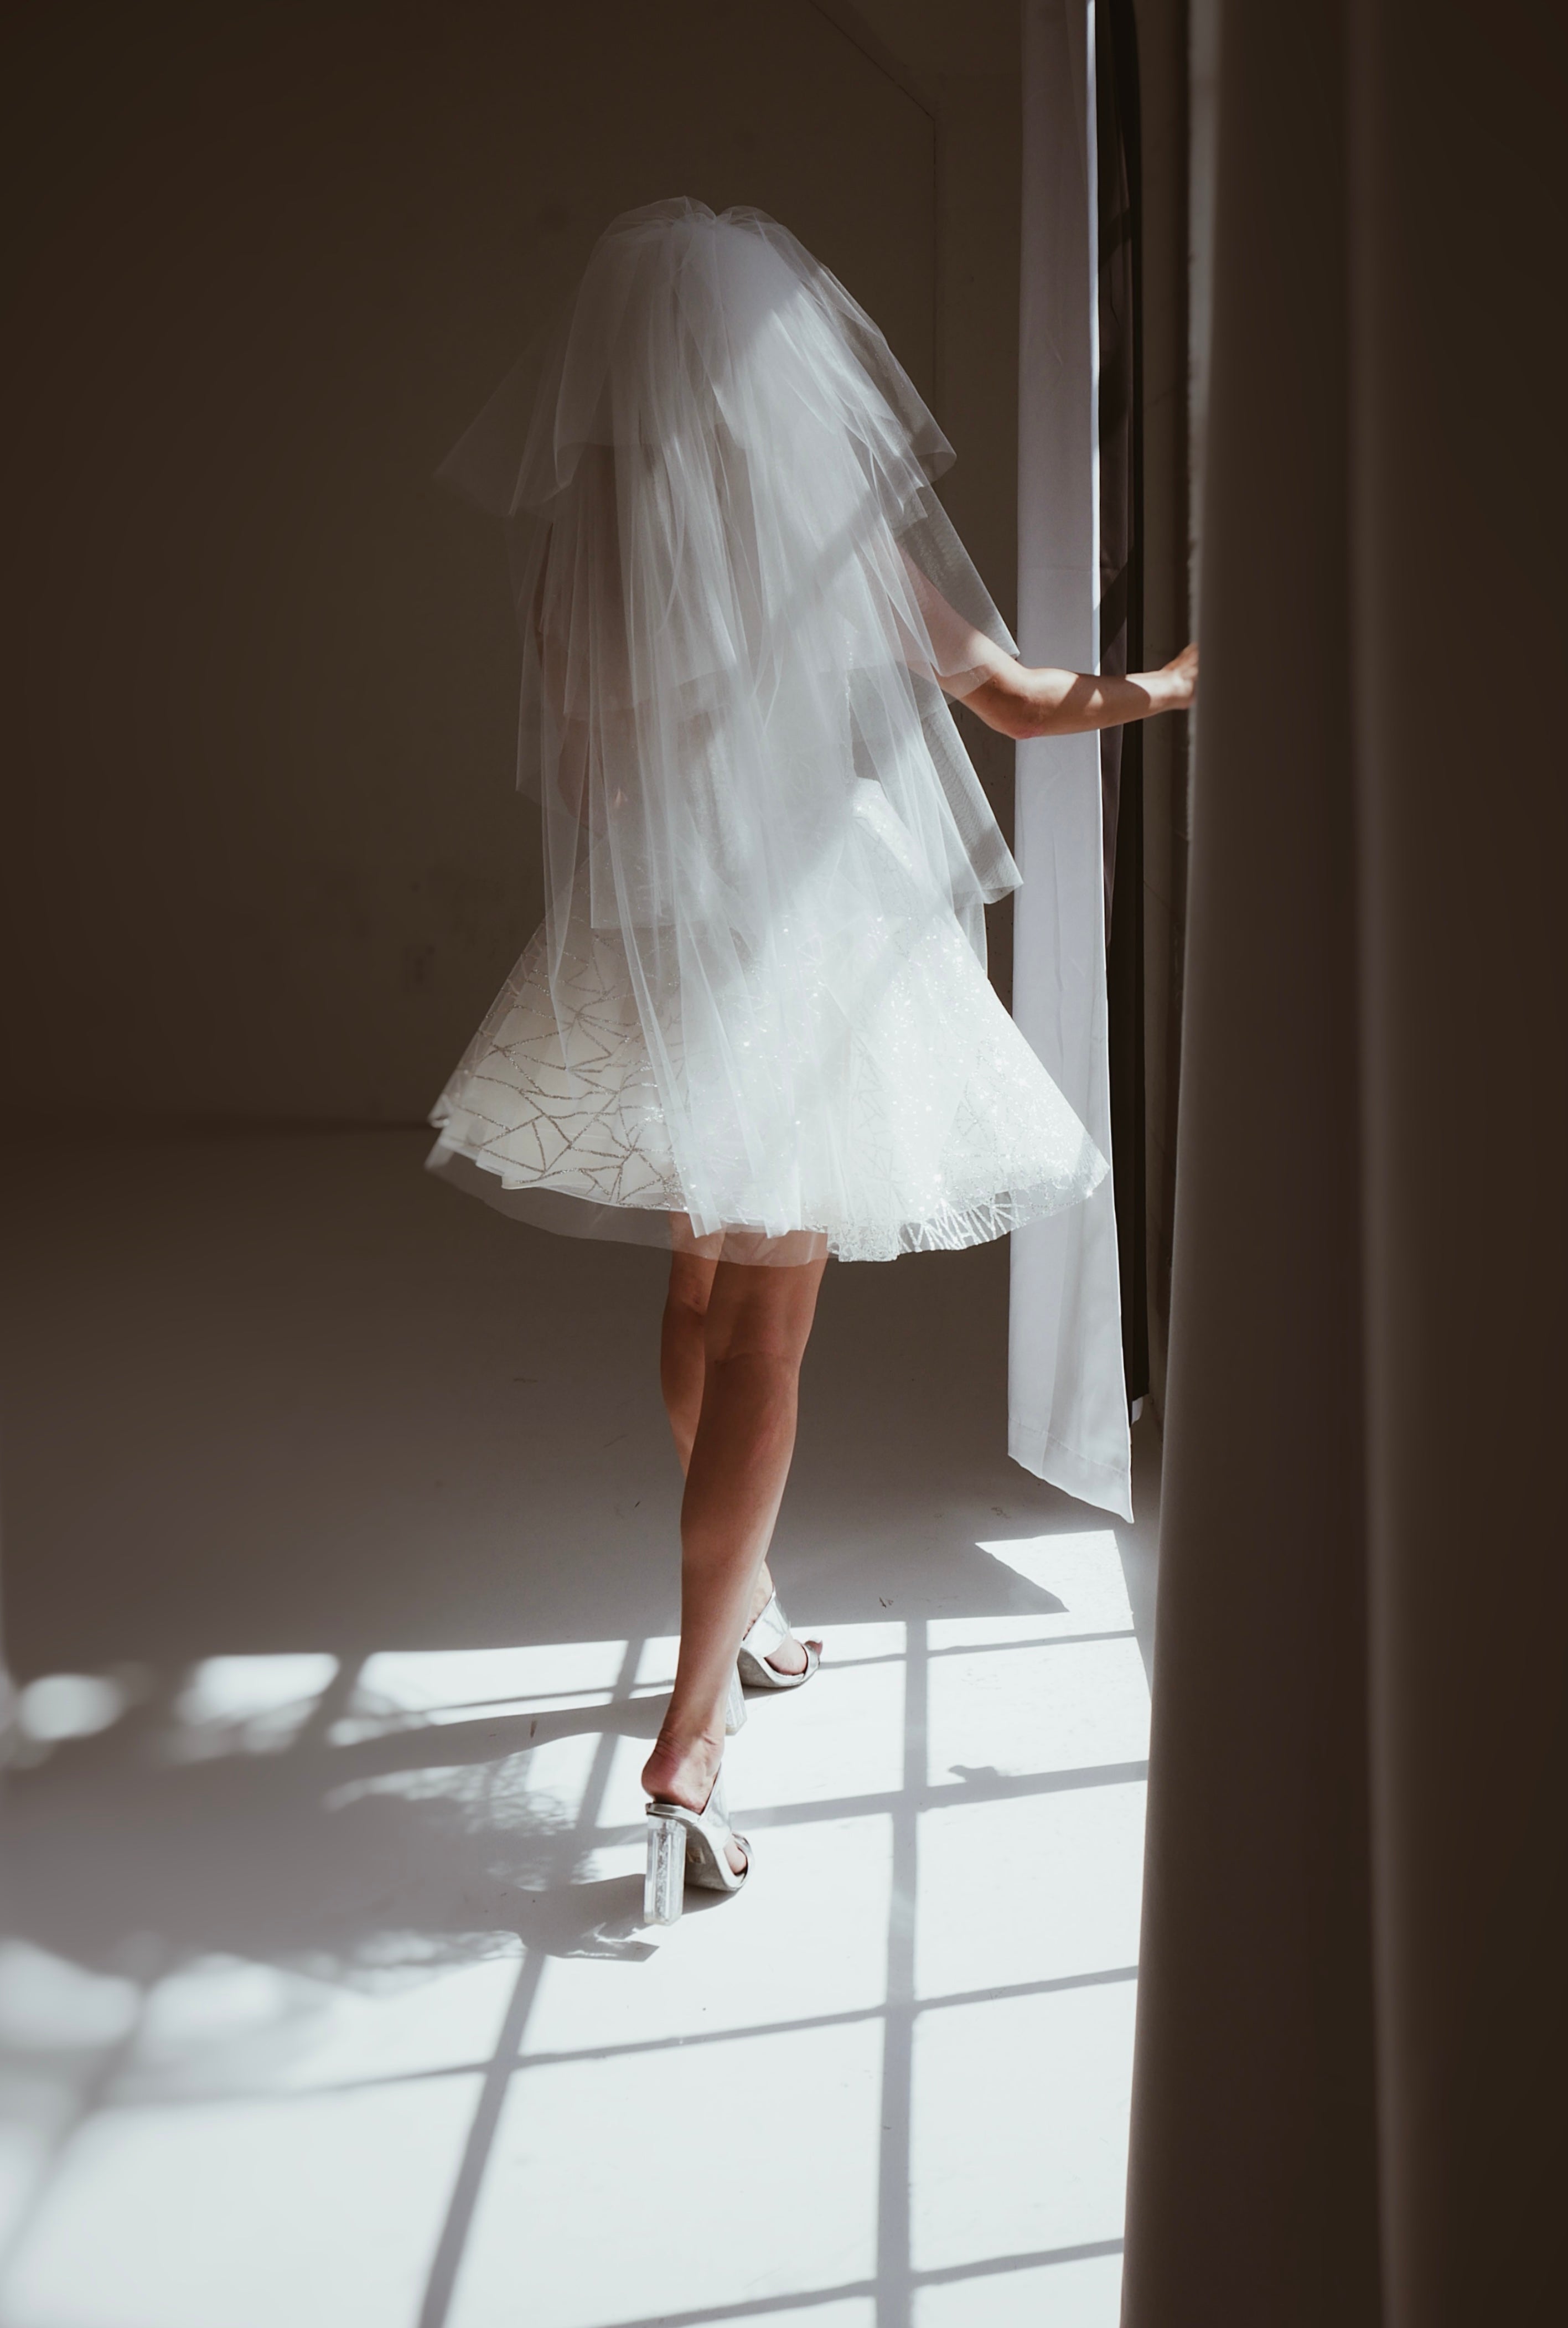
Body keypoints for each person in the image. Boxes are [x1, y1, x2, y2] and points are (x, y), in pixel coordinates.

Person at [427, 200, 1196, 1918]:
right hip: (820, 940)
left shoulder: (585, 545)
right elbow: (1009, 697)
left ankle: (749, 1612)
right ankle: (691, 1744)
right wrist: (1172, 681)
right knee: (769, 1333)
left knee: (705, 1296)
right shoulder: (832, 528)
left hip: (667, 936)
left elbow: (577, 758)